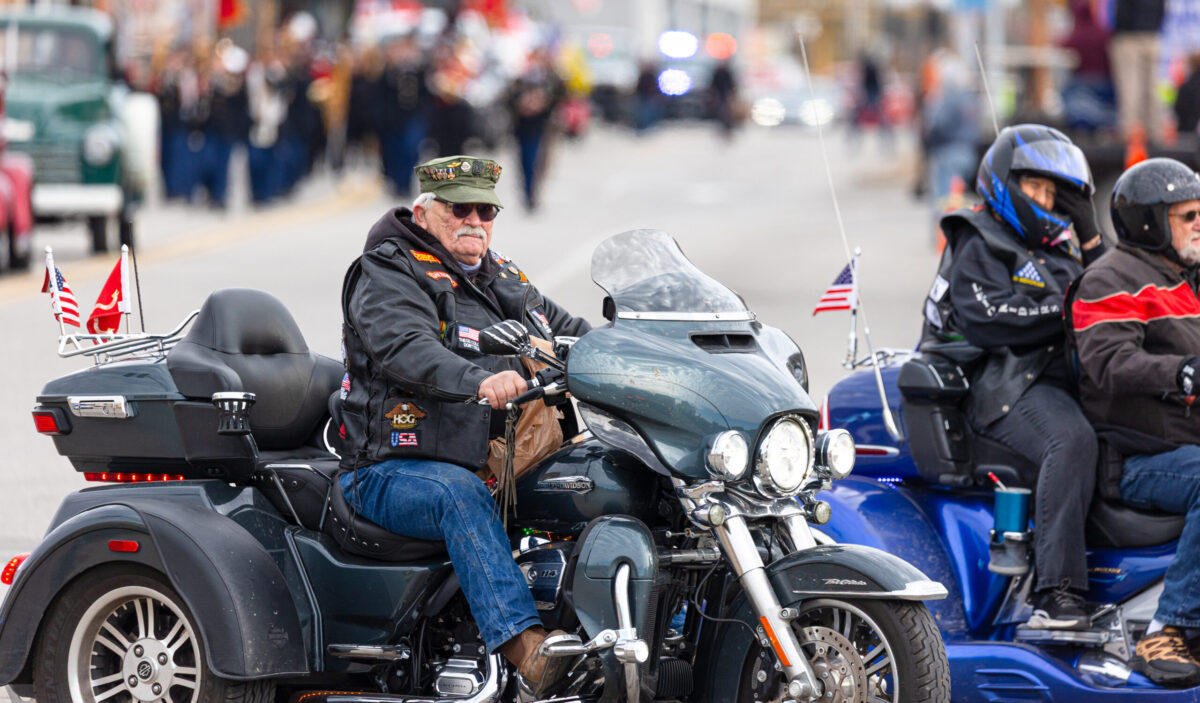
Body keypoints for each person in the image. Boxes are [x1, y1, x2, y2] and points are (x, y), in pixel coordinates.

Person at [338, 155, 591, 695]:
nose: (475, 220)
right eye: (460, 209)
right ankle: (528, 649)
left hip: (493, 456)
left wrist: (631, 354)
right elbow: (406, 349)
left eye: (486, 210)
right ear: (426, 211)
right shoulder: (388, 270)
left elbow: (568, 329)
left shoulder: (501, 275)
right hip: (389, 470)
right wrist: (481, 380)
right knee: (457, 494)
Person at [934, 124, 1106, 629]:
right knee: (1070, 441)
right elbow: (991, 317)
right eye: (1035, 188)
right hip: (1002, 385)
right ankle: (1057, 594)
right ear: (1006, 181)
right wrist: (1065, 308)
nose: (1045, 200)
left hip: (1058, 382)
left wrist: (1092, 237)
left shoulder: (1057, 248)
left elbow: (1108, 297)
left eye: (1053, 193)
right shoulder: (978, 237)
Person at [1069, 158, 1200, 686]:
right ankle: (1168, 628)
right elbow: (1108, 363)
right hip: (1140, 457)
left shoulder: (1184, 279)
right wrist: (1183, 372)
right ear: (1149, 222)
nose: (1199, 224)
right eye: (1187, 216)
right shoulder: (1109, 280)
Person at [1109, 0, 1166, 143]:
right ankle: (1154, 131)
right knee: (1151, 88)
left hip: (1129, 36)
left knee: (1131, 88)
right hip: (1151, 35)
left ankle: (1129, 133)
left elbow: (1121, 13)